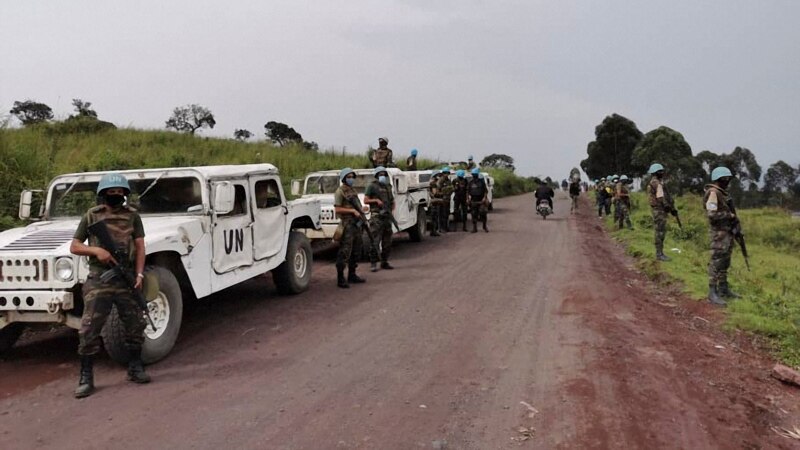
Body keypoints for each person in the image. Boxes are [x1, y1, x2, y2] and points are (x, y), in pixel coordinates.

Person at [70, 173, 149, 398]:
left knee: (135, 324)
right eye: (111, 193)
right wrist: (96, 250)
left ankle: (135, 366)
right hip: (99, 277)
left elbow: (141, 246)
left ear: (125, 194)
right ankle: (86, 376)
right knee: (89, 329)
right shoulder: (92, 216)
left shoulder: (133, 216)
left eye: (120, 192)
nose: (116, 196)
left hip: (126, 277)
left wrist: (140, 274)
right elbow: (74, 246)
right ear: (102, 194)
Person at [704, 167, 740, 306]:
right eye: (727, 179)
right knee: (716, 262)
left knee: (725, 262)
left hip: (726, 232)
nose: (728, 181)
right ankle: (712, 292)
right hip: (718, 233)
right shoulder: (713, 193)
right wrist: (729, 215)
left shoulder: (723, 194)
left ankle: (724, 289)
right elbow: (711, 214)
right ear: (721, 179)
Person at [333, 168, 368, 288]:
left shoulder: (352, 190)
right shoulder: (340, 191)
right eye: (349, 177)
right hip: (347, 225)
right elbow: (337, 209)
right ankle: (340, 278)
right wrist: (352, 211)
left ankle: (352, 274)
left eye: (352, 176)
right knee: (345, 251)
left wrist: (361, 211)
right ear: (344, 178)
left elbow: (357, 206)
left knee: (356, 250)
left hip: (356, 224)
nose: (351, 179)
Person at [364, 166, 395, 272]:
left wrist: (391, 210)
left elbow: (392, 201)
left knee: (387, 241)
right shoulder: (372, 186)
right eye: (381, 174)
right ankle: (373, 263)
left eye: (384, 174)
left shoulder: (388, 186)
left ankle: (384, 261)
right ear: (377, 175)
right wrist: (376, 201)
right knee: (375, 241)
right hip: (376, 217)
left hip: (387, 217)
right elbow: (366, 200)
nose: (383, 176)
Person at [646, 163, 677, 261]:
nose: (662, 173)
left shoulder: (658, 182)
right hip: (659, 209)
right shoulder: (656, 183)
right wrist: (668, 207)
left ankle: (660, 253)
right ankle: (659, 254)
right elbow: (660, 197)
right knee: (660, 231)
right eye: (660, 171)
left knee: (660, 231)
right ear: (655, 173)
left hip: (658, 209)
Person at [467, 168, 489, 232]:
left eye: (475, 174)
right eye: (473, 174)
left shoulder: (481, 182)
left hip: (481, 200)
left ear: (477, 175)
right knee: (474, 214)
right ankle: (474, 228)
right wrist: (467, 199)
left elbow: (485, 191)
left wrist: (484, 198)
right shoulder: (470, 183)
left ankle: (484, 226)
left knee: (483, 213)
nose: (474, 176)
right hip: (473, 200)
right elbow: (467, 192)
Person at [438, 166, 454, 232]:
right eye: (445, 173)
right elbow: (438, 190)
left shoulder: (448, 180)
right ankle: (442, 228)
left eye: (447, 173)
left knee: (447, 214)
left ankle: (446, 227)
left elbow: (452, 189)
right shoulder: (440, 180)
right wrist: (443, 193)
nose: (446, 174)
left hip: (448, 199)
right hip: (442, 200)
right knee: (442, 214)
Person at [428, 171, 442, 237]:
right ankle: (434, 231)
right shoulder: (433, 183)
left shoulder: (433, 183)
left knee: (433, 217)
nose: (439, 176)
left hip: (433, 202)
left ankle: (433, 231)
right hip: (434, 202)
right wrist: (442, 193)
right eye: (438, 175)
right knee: (434, 217)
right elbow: (434, 193)